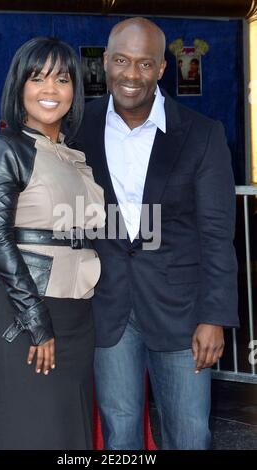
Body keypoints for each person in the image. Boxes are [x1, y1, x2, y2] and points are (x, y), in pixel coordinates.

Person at [75, 17, 239, 450]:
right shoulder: (78, 128)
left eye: (145, 64)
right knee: (119, 436)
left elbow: (218, 235)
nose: (132, 75)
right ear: (106, 63)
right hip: (108, 310)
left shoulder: (202, 134)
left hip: (184, 316)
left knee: (189, 435)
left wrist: (215, 316)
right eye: (122, 61)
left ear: (162, 69)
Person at [0, 37, 105, 450]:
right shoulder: (4, 148)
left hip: (76, 309)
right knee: (32, 429)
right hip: (20, 304)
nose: (50, 89)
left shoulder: (74, 155)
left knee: (70, 429)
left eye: (62, 79)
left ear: (74, 91)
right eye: (38, 78)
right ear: (19, 87)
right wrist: (35, 318)